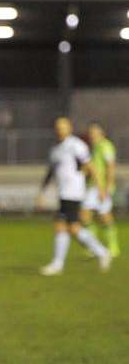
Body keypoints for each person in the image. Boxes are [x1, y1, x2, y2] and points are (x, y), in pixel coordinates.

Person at [36, 117, 111, 275]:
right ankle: (100, 252)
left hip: (74, 192)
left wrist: (101, 188)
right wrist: (42, 192)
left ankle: (98, 253)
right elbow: (51, 172)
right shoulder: (55, 149)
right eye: (57, 127)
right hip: (63, 193)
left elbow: (90, 167)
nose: (60, 129)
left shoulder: (76, 145)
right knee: (68, 227)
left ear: (69, 128)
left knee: (68, 226)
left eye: (63, 126)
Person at [80, 121, 119, 258]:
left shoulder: (106, 146)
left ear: (102, 132)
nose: (92, 135)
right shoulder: (94, 147)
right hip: (93, 187)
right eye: (90, 132)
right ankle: (93, 247)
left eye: (95, 132)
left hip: (102, 188)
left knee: (105, 217)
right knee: (85, 216)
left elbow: (111, 166)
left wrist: (107, 188)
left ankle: (113, 246)